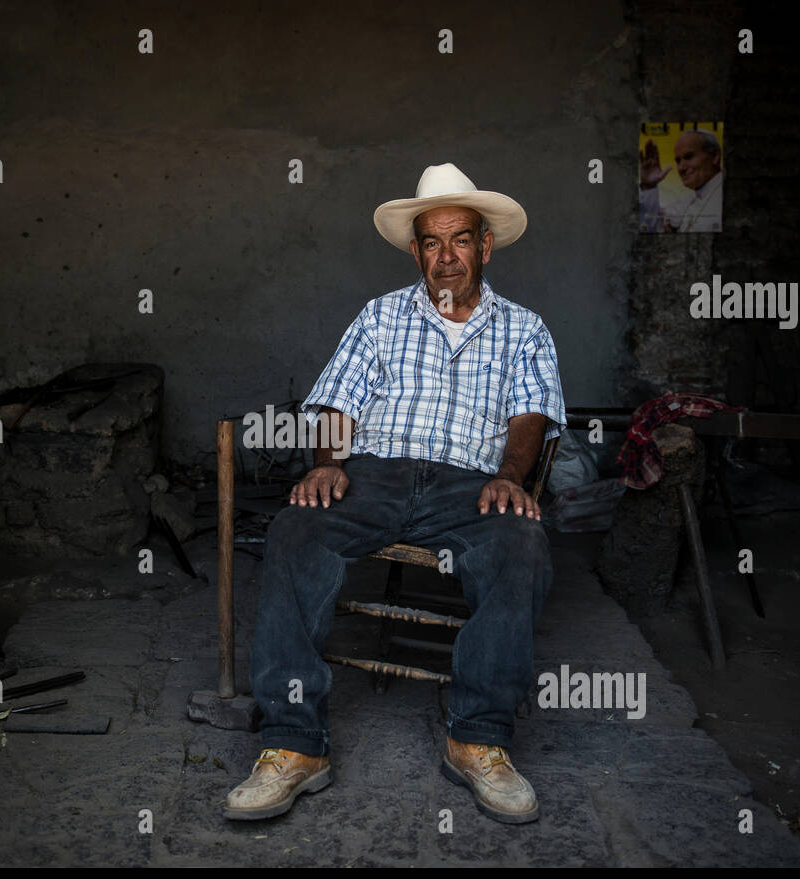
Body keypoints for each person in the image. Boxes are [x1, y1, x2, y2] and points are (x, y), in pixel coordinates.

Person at [223, 163, 567, 824]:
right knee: (297, 527)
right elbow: (337, 400)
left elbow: (529, 416)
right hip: (374, 473)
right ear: (415, 251)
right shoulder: (379, 317)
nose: (445, 257)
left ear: (485, 246)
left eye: (459, 240)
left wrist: (509, 476)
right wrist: (327, 462)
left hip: (470, 482)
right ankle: (294, 746)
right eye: (431, 243)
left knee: (522, 543)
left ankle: (478, 739)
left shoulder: (525, 328)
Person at [639, 128, 724, 232]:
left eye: (689, 157)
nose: (681, 168)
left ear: (715, 156)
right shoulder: (691, 199)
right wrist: (649, 186)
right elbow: (650, 224)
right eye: (678, 161)